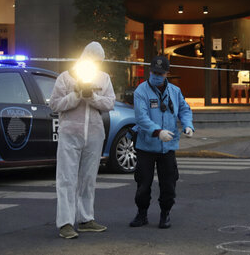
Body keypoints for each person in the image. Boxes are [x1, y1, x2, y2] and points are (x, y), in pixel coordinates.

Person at [49, 41, 115, 239]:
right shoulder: (65, 78)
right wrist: (76, 95)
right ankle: (65, 223)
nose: (96, 64)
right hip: (70, 134)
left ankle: (86, 219)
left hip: (94, 135)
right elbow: (54, 104)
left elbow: (109, 103)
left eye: (98, 61)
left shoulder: (103, 78)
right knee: (66, 179)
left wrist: (92, 97)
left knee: (88, 179)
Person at [130, 55, 194, 229]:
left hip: (168, 147)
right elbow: (141, 118)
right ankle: (141, 214)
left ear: (167, 73)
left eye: (160, 73)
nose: (156, 75)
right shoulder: (141, 91)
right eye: (154, 72)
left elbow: (184, 109)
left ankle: (165, 214)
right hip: (146, 146)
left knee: (169, 183)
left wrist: (188, 125)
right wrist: (157, 132)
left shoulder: (175, 91)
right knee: (143, 183)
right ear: (150, 71)